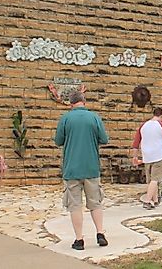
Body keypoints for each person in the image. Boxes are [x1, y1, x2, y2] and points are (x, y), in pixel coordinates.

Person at [54, 91, 110, 251]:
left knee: (75, 205)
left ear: (71, 103)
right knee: (95, 202)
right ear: (84, 102)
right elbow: (104, 139)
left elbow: (58, 141)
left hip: (72, 168)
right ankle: (100, 233)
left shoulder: (65, 118)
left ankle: (79, 239)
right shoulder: (94, 118)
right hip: (91, 166)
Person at [130, 107, 162, 209]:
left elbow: (136, 142)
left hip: (147, 155)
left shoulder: (143, 125)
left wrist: (135, 156)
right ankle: (147, 200)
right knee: (155, 179)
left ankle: (154, 201)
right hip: (159, 155)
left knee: (150, 180)